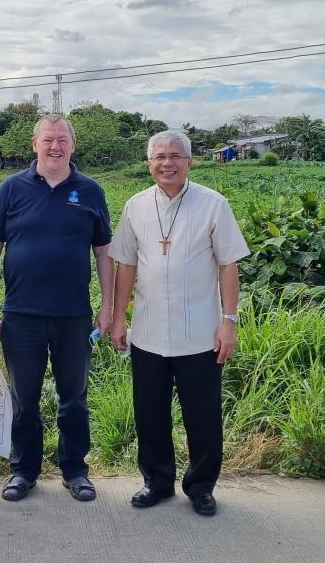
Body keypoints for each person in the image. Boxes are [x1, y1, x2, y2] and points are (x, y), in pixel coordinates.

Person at [108, 129, 249, 517]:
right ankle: (156, 481)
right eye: (159, 157)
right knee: (150, 413)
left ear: (189, 162)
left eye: (175, 156)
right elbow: (126, 265)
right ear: (149, 163)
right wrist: (119, 319)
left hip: (200, 333)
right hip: (149, 333)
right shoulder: (136, 206)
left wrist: (229, 321)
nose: (166, 163)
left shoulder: (212, 204)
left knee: (202, 416)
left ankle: (201, 486)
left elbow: (228, 264)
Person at [0, 114, 114, 502]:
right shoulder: (11, 188)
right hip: (21, 316)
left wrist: (107, 307)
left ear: (73, 146)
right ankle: (23, 471)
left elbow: (103, 252)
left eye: (62, 140)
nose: (55, 146)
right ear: (34, 144)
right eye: (48, 139)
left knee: (74, 398)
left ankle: (75, 470)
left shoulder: (90, 190)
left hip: (74, 316)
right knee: (25, 398)